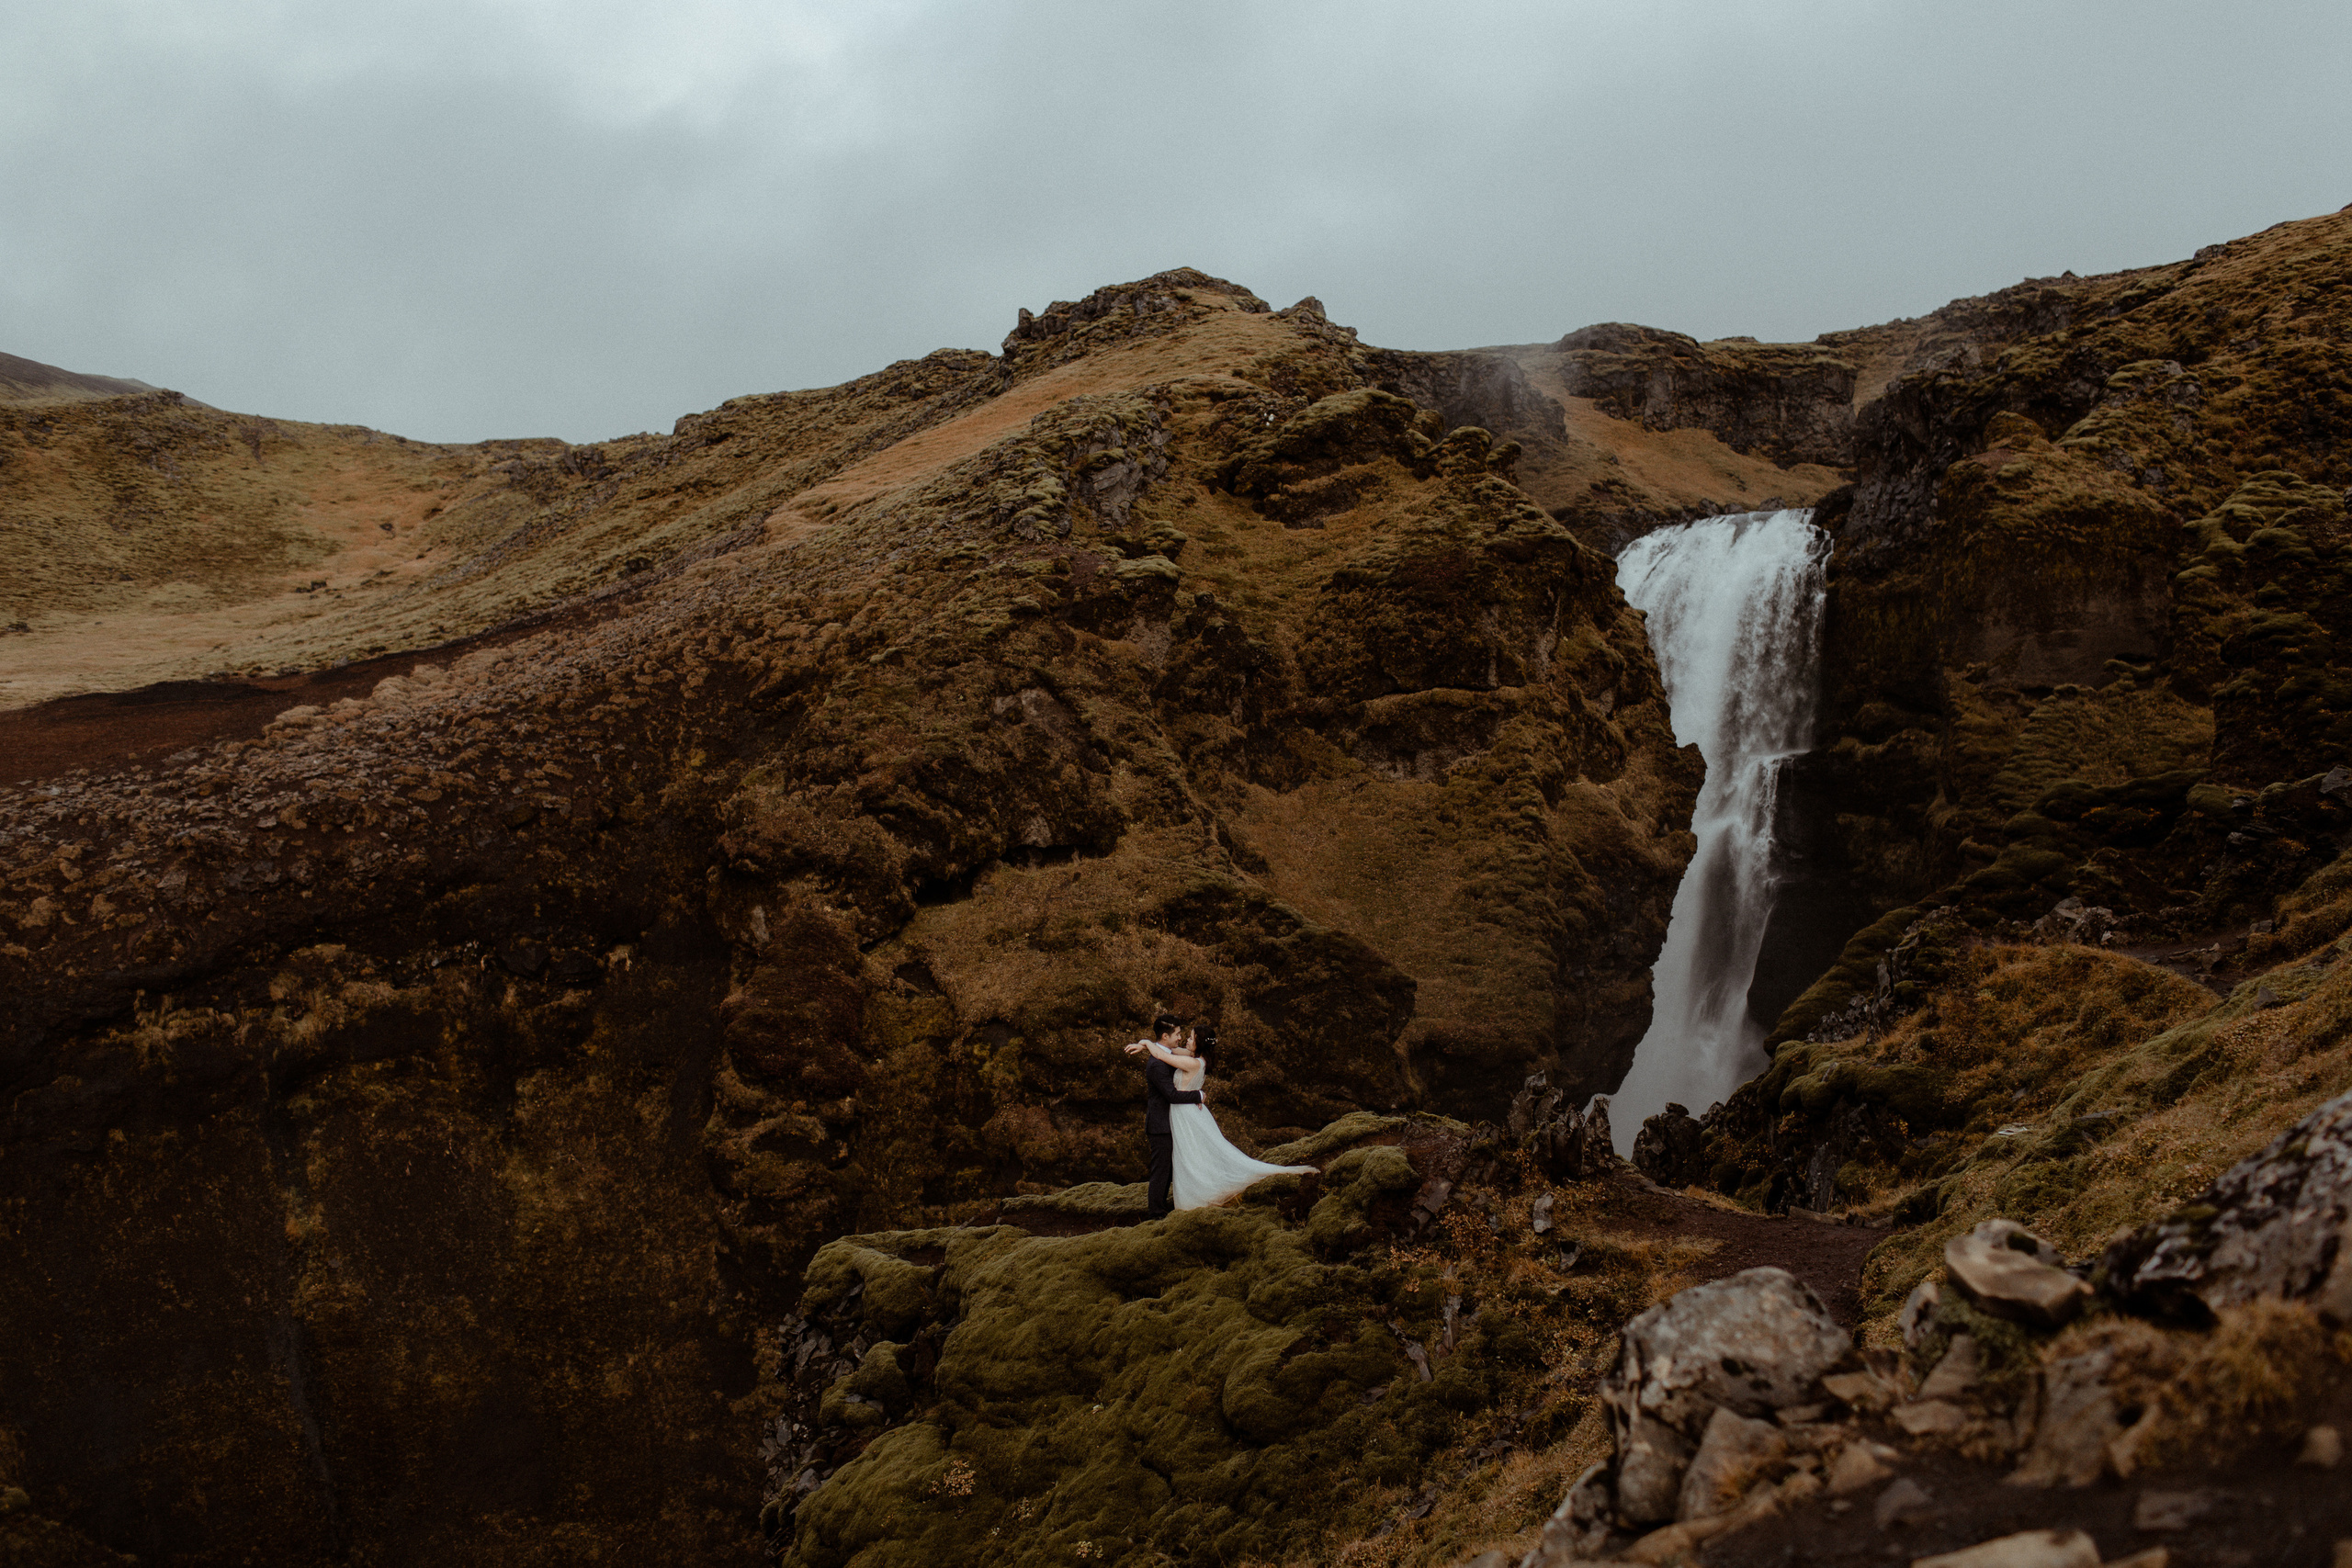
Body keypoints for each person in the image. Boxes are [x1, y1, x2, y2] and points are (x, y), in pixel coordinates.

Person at [1126, 1022, 1316, 1211]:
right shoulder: (1194, 1057)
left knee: (1191, 1156)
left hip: (1185, 1114)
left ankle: (1198, 1194)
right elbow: (1164, 1051)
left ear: (1198, 1044)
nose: (1186, 1039)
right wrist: (1146, 1045)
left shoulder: (1192, 1062)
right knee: (1191, 1156)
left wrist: (1144, 1041)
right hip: (1186, 1113)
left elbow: (1160, 1054)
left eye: (1191, 1038)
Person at [1123, 1013, 1202, 1219]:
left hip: (1170, 1123)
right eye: (1177, 1034)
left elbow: (1184, 1053)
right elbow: (1171, 1095)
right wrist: (1198, 1095)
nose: (1180, 1037)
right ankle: (1156, 1213)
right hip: (1160, 1125)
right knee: (1161, 1170)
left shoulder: (1167, 1053)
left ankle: (1162, 1207)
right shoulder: (1157, 1064)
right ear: (1165, 1036)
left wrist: (1145, 1043)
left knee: (1168, 1169)